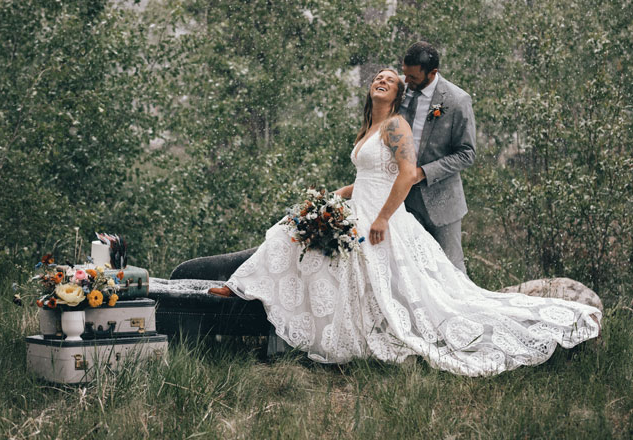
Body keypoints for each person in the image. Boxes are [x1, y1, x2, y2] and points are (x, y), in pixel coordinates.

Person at [209, 69, 600, 377]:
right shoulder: (370, 129)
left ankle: (242, 289)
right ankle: (250, 291)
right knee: (293, 228)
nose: (381, 81)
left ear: (398, 94)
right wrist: (330, 197)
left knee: (321, 249)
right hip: (357, 205)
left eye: (390, 80)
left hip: (381, 216)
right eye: (377, 78)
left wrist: (382, 218)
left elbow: (406, 173)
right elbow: (367, 177)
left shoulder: (396, 125)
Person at [399, 42, 476, 274]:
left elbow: (467, 153)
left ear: (432, 73)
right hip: (403, 203)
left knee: (451, 271)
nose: (406, 82)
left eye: (412, 77)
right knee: (413, 271)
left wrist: (423, 173)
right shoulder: (400, 94)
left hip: (443, 202)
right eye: (404, 74)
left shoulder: (456, 100)